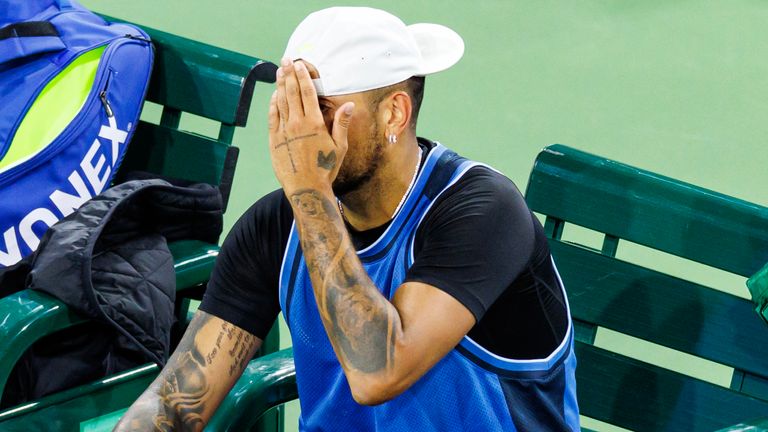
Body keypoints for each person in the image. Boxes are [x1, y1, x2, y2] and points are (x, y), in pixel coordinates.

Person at [115, 6, 580, 431]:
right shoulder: (276, 226)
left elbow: (378, 373)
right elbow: (174, 404)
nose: (298, 132)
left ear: (394, 114)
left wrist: (308, 190)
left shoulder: (481, 213)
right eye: (292, 106)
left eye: (319, 109)